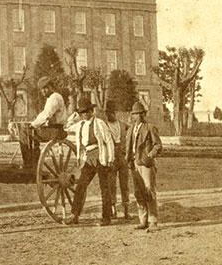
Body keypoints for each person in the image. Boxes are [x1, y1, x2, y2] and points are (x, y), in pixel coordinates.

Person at [66, 96, 115, 226]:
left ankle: (106, 218)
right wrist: (75, 114)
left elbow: (109, 141)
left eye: (87, 111)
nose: (85, 114)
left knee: (104, 188)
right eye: (82, 112)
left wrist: (110, 159)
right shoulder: (80, 125)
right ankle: (74, 215)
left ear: (91, 111)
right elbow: (67, 127)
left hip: (100, 157)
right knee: (81, 186)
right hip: (88, 159)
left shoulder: (99, 123)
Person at [125, 101, 163, 232]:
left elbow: (158, 145)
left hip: (146, 165)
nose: (136, 116)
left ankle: (153, 221)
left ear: (143, 114)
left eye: (139, 114)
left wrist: (150, 155)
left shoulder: (150, 128)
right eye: (134, 114)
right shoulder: (130, 130)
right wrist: (129, 160)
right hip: (134, 164)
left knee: (149, 191)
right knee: (138, 193)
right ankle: (143, 220)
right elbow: (128, 148)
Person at [104, 100, 131, 219]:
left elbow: (132, 134)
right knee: (111, 184)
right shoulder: (103, 126)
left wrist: (128, 151)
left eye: (111, 113)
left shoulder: (123, 125)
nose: (109, 115)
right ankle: (113, 210)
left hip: (122, 157)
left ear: (115, 113)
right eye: (107, 113)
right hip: (111, 157)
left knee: (124, 184)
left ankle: (126, 211)